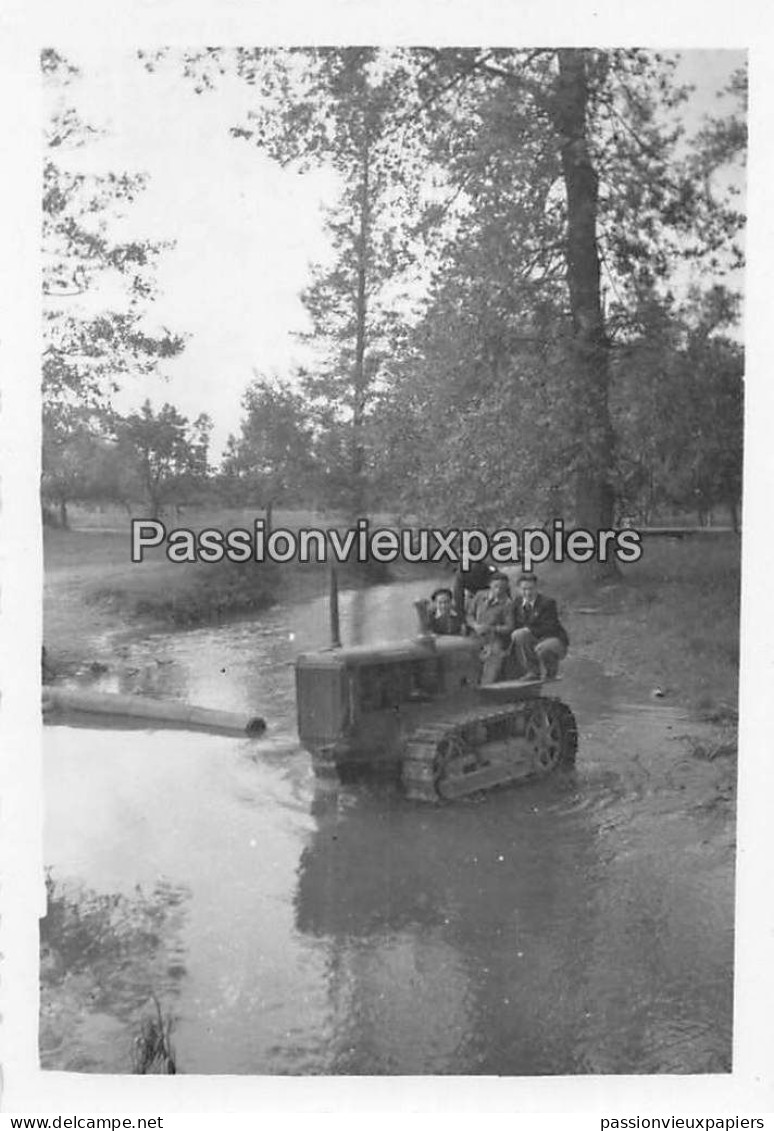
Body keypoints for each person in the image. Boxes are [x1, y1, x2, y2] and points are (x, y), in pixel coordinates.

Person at [510, 572, 569, 680]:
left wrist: (529, 631)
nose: (528, 593)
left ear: (537, 588)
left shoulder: (548, 603)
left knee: (543, 648)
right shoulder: (517, 603)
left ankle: (551, 674)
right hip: (532, 639)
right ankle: (533, 672)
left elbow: (551, 627)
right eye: (524, 589)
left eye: (531, 589)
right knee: (518, 635)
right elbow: (513, 625)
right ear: (518, 589)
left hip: (553, 639)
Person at [469, 570, 515, 684]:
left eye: (502, 587)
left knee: (493, 654)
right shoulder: (480, 596)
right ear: (490, 585)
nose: (498, 590)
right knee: (463, 652)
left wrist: (491, 628)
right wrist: (475, 625)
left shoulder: (507, 604)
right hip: (474, 634)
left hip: (493, 637)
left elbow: (509, 627)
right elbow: (469, 614)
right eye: (496, 586)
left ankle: (486, 685)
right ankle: (467, 683)